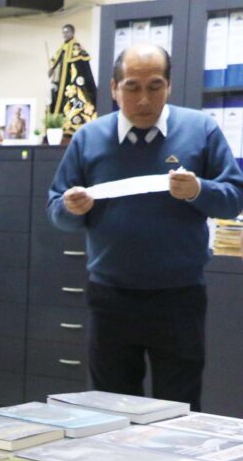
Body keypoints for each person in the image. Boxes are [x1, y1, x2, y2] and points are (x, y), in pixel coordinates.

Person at [47, 43, 243, 411]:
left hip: (179, 296)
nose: (143, 99)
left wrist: (199, 190)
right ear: (113, 89)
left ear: (168, 86)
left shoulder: (201, 130)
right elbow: (56, 209)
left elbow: (234, 198)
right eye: (131, 87)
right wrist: (72, 207)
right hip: (111, 297)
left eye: (154, 86)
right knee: (108, 407)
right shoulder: (89, 138)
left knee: (179, 407)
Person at [48, 23, 98, 136]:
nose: (65, 35)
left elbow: (82, 66)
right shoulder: (63, 47)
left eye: (67, 32)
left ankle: (74, 125)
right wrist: (52, 70)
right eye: (63, 32)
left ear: (72, 33)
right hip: (62, 84)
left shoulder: (76, 46)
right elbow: (55, 61)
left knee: (75, 102)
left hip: (73, 84)